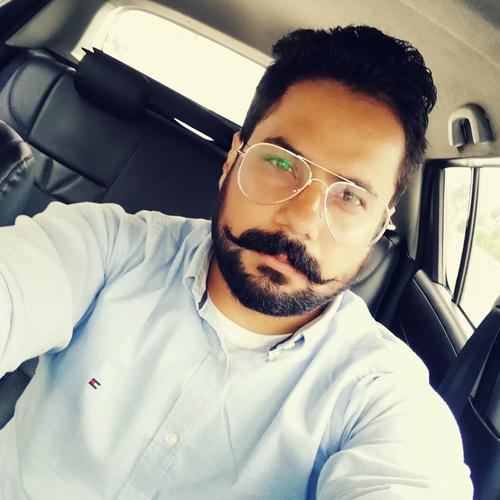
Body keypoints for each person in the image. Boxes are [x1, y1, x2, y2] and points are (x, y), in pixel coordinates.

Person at [0, 26, 473, 499]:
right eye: (282, 163)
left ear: (379, 226)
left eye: (351, 197)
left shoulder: (381, 393)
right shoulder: (106, 247)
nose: (301, 220)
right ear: (233, 160)